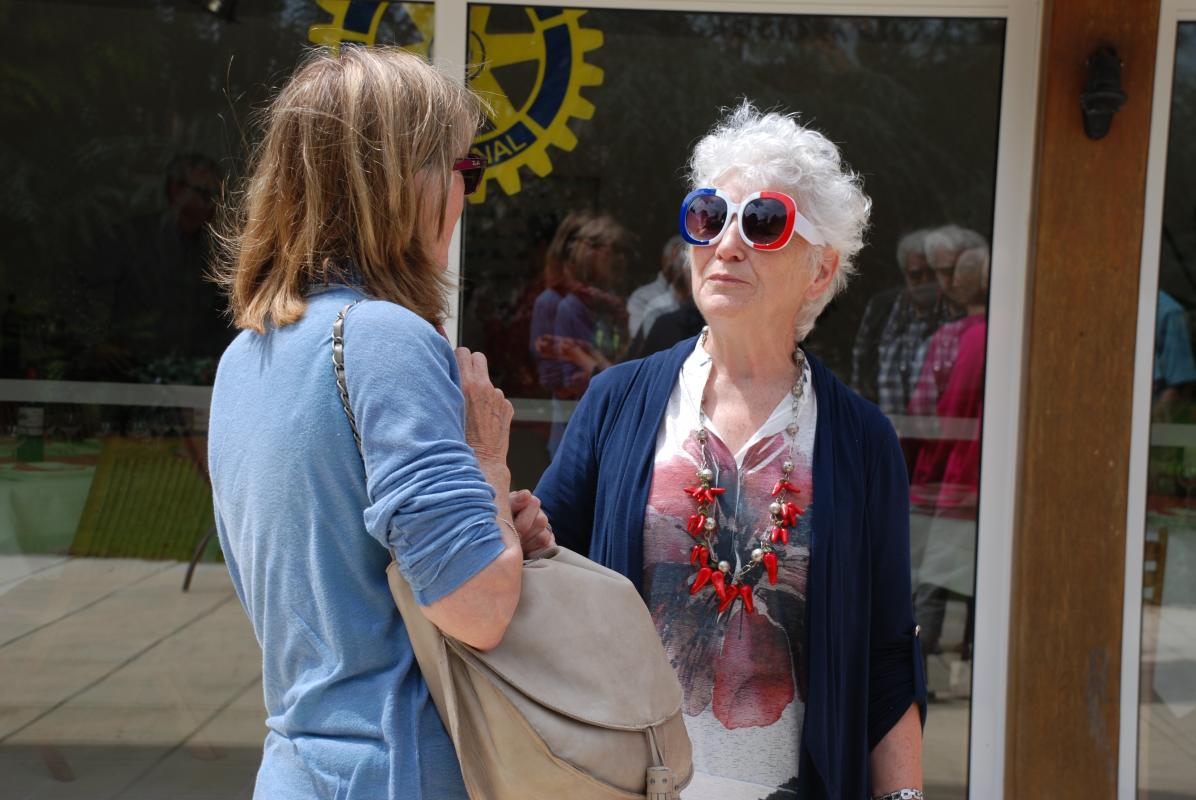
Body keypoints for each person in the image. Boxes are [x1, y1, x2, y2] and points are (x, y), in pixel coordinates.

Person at [536, 102, 925, 799]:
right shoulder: (618, 401)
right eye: (710, 216)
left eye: (765, 222)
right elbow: (541, 569)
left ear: (820, 269)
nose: (728, 243)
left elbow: (889, 655)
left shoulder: (863, 442)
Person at [208, 48, 551, 800]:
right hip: (400, 771)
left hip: (297, 767)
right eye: (465, 170)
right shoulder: (386, 340)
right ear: (404, 180)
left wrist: (485, 523)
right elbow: (479, 608)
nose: (466, 196)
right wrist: (488, 461)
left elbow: (336, 575)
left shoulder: (246, 356)